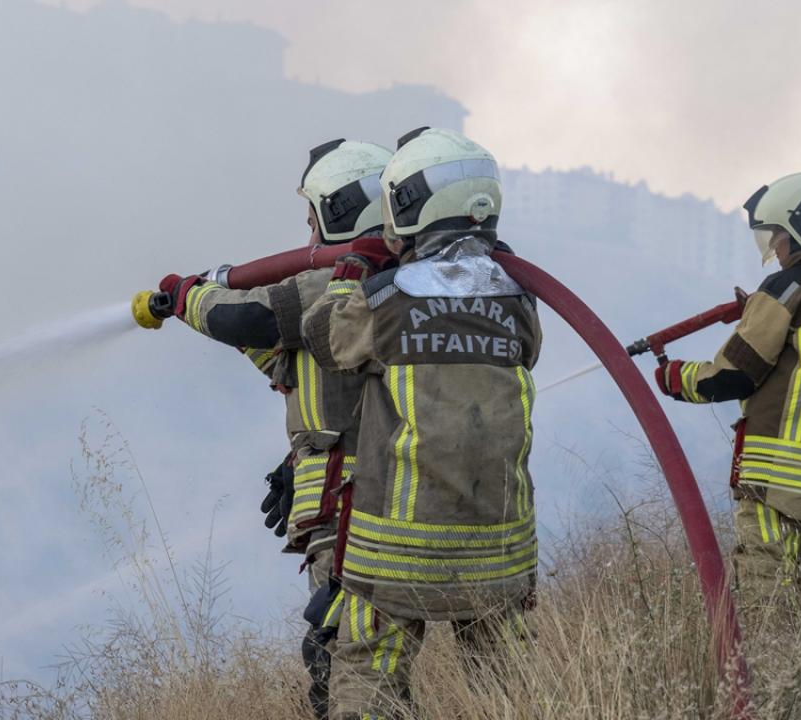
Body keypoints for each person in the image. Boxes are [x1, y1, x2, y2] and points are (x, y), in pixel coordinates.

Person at [139, 138, 392, 719]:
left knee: (345, 660)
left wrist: (186, 296)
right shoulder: (389, 286)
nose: (308, 233)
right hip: (357, 490)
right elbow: (300, 369)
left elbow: (248, 317)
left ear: (341, 211)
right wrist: (300, 460)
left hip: (354, 506)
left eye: (313, 216)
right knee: (361, 655)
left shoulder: (339, 286)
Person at [300, 127, 541, 719]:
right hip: (499, 544)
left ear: (410, 205)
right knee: (509, 685)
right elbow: (528, 353)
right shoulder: (521, 298)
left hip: (397, 547)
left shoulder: (386, 299)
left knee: (371, 676)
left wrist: (352, 270)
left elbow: (325, 340)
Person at [653, 172, 801, 620]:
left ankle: (765, 668)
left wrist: (677, 378)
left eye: (777, 235)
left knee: (764, 597)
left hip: (774, 474)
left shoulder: (787, 287)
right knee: (799, 597)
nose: (775, 248)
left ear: (798, 230)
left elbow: (734, 374)